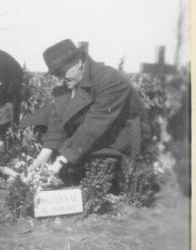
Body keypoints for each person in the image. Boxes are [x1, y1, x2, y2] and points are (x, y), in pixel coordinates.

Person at [24, 39, 149, 178]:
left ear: (79, 62)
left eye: (62, 72)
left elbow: (94, 124)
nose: (61, 79)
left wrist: (59, 163)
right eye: (57, 75)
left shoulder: (109, 79)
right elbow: (58, 118)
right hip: (91, 145)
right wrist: (45, 153)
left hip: (121, 147)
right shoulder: (69, 84)